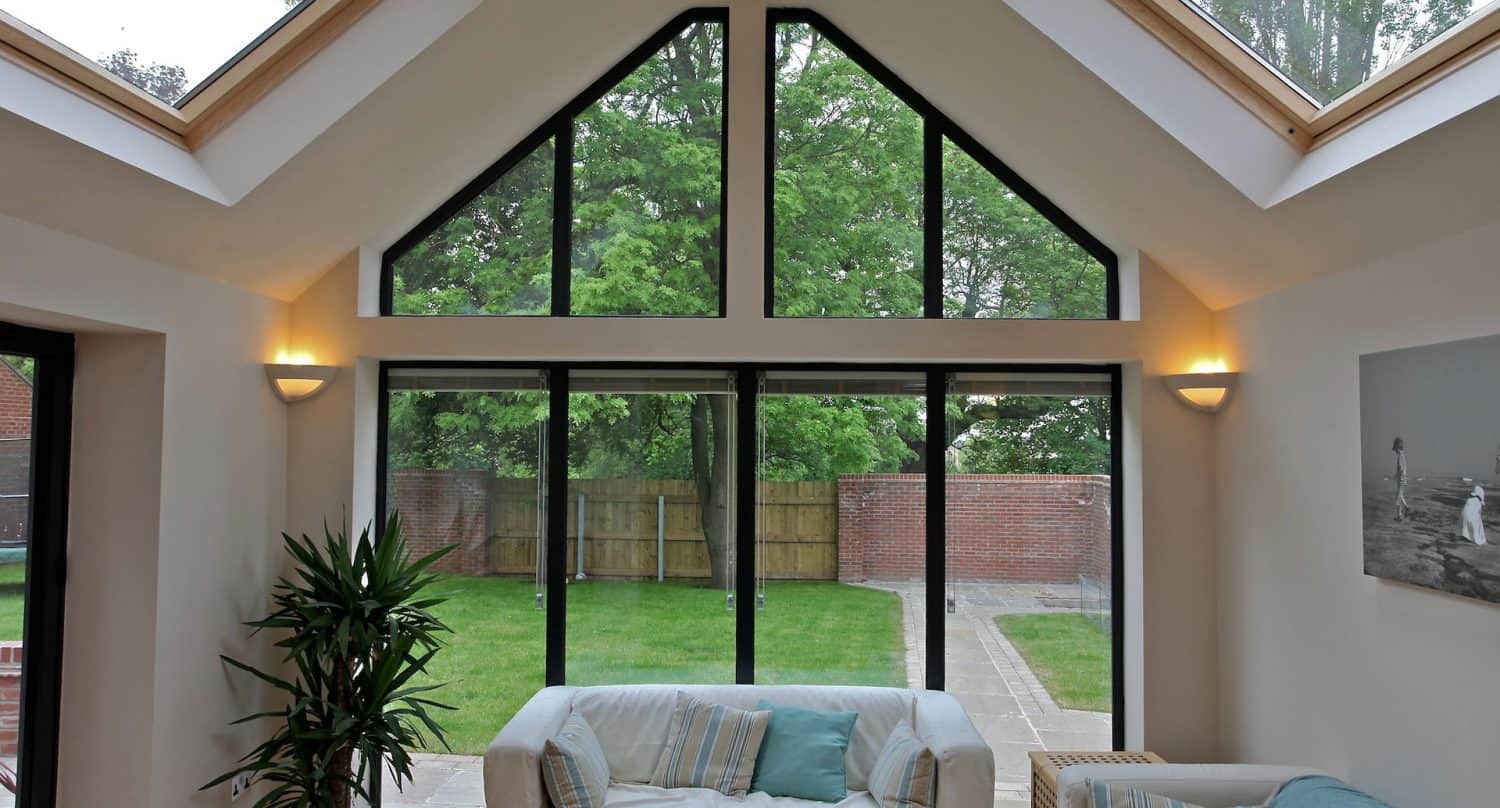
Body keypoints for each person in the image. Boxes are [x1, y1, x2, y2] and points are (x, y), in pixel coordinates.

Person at [1392, 437, 1410, 522]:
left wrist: (1397, 476)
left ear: (1397, 447)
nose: (1395, 451)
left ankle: (1400, 515)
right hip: (1402, 479)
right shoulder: (1402, 456)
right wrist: (1396, 476)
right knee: (1400, 496)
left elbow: (1401, 470)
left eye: (1395, 449)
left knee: (1397, 499)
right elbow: (1402, 470)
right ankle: (1406, 508)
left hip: (1401, 480)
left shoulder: (1400, 456)